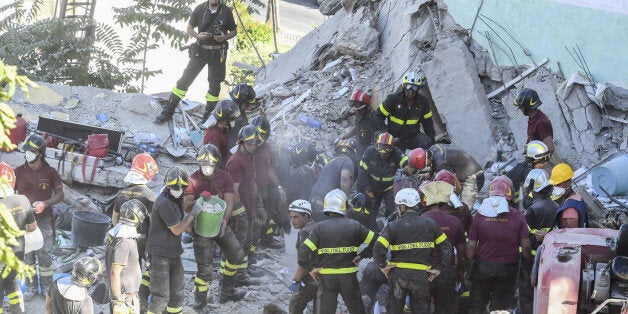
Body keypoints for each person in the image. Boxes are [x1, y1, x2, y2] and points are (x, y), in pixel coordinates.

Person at [182, 144, 247, 309]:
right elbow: (186, 205)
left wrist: (225, 220)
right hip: (201, 229)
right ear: (199, 164)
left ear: (217, 164)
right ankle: (199, 302)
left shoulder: (225, 178)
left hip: (218, 224)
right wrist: (199, 200)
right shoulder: (192, 179)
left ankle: (226, 292)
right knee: (205, 268)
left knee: (236, 254)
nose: (207, 168)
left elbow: (229, 201)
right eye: (204, 165)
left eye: (210, 165)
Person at [154, 0, 237, 124]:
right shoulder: (200, 9)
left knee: (214, 86)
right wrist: (198, 36)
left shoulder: (226, 11)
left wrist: (224, 37)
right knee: (185, 80)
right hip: (200, 51)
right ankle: (168, 111)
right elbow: (189, 29)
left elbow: (234, 31)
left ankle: (208, 116)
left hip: (218, 53)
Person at [373, 186, 451, 314]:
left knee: (394, 311)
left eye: (398, 206)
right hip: (421, 276)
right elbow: (446, 249)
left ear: (402, 207)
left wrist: (383, 266)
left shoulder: (392, 226)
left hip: (398, 275)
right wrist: (438, 269)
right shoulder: (431, 224)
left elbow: (378, 249)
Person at [298, 189, 376, 314]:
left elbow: (303, 251)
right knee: (357, 310)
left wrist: (312, 269)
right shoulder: (354, 225)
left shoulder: (319, 228)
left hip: (327, 278)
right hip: (349, 278)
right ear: (344, 205)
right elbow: (377, 241)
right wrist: (362, 255)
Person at [465, 175, 531, 313]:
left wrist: (469, 269)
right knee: (501, 307)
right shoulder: (518, 215)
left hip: (483, 267)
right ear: (510, 194)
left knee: (477, 305)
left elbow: (471, 247)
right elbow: (526, 246)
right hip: (508, 269)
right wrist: (526, 267)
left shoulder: (479, 215)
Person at [145, 166, 202, 313]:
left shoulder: (175, 198)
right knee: (160, 296)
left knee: (177, 293)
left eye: (180, 188)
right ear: (167, 185)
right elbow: (177, 230)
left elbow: (180, 223)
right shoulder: (164, 203)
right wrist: (193, 215)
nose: (177, 191)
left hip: (173, 252)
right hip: (160, 254)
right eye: (174, 188)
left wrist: (197, 231)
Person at [15, 134, 64, 300]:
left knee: (44, 254)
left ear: (40, 154)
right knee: (27, 255)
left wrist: (45, 203)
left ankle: (46, 287)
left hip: (44, 220)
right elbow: (9, 192)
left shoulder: (50, 172)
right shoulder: (19, 172)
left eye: (31, 151)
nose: (27, 153)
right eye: (26, 150)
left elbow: (60, 195)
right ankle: (30, 287)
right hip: (24, 220)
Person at [111, 153, 158, 311]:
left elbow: (114, 220)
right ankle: (141, 301)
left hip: (126, 240)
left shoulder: (121, 194)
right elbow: (154, 222)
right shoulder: (149, 195)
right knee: (149, 270)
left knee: (129, 272)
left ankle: (128, 297)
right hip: (144, 240)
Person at [420, 182, 466, 314]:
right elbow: (461, 252)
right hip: (446, 273)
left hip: (423, 272)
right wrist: (459, 273)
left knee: (422, 308)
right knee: (444, 309)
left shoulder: (420, 220)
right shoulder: (454, 221)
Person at [225, 125, 262, 287]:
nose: (253, 146)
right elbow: (232, 190)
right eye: (249, 144)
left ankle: (243, 271)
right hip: (242, 210)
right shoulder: (235, 162)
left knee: (247, 242)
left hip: (250, 206)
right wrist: (240, 212)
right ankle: (239, 277)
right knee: (239, 245)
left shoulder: (249, 157)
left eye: (254, 144)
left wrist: (256, 203)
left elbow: (251, 181)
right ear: (241, 142)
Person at [517, 169, 557, 314]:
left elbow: (525, 240)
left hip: (530, 259)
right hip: (547, 257)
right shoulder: (555, 206)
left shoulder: (532, 210)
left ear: (534, 188)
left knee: (526, 292)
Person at [0, 162, 37, 313]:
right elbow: (31, 227)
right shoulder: (23, 200)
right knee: (10, 283)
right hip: (17, 256)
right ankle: (18, 310)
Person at [354, 132, 408, 230]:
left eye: (386, 148)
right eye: (380, 147)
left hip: (389, 188)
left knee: (391, 211)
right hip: (372, 187)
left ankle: (390, 231)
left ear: (392, 148)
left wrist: (409, 166)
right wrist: (367, 188)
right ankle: (371, 232)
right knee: (370, 212)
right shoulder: (369, 152)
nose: (383, 151)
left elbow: (405, 161)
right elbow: (362, 171)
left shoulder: (397, 153)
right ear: (376, 145)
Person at [407, 145, 484, 208]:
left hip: (474, 178)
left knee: (463, 210)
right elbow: (434, 164)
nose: (425, 167)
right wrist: (428, 175)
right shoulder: (433, 148)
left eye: (425, 166)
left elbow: (454, 188)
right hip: (465, 170)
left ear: (426, 161)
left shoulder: (441, 164)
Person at [251, 115, 288, 247]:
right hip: (251, 188)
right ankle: (251, 245)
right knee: (254, 217)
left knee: (268, 213)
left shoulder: (266, 147)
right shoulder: (246, 146)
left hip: (265, 186)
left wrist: (279, 187)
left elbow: (269, 168)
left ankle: (266, 239)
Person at [106, 199, 147, 314]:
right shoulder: (124, 240)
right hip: (125, 298)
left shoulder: (116, 232)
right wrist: (118, 302)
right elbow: (115, 272)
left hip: (123, 294)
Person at [375, 71, 435, 150]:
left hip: (413, 137)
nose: (411, 90)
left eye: (414, 87)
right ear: (404, 85)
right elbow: (379, 115)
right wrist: (385, 133)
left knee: (427, 143)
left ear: (418, 88)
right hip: (394, 137)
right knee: (384, 145)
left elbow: (428, 124)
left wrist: (432, 142)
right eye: (408, 86)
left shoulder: (424, 102)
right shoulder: (393, 99)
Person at [308, 139, 357, 222]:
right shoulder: (348, 161)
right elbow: (344, 179)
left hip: (312, 202)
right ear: (353, 152)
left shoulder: (330, 162)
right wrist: (346, 202)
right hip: (325, 206)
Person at [288, 199, 317, 314]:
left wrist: (296, 280)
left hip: (312, 278)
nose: (292, 221)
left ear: (306, 216)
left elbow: (304, 261)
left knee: (295, 306)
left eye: (296, 217)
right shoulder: (318, 226)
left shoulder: (304, 232)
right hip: (326, 278)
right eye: (291, 217)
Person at [505, 140, 553, 208]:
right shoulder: (525, 171)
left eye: (547, 158)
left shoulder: (529, 169)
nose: (545, 163)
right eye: (544, 160)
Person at [513, 88, 555, 154]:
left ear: (527, 106)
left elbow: (550, 148)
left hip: (544, 162)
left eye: (521, 106)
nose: (519, 108)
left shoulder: (540, 122)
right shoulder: (533, 119)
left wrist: (536, 160)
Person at [339, 89, 377, 161]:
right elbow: (357, 127)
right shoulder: (359, 114)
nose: (355, 110)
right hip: (359, 149)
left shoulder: (373, 118)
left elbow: (375, 139)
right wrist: (344, 137)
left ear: (364, 107)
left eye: (357, 107)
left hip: (369, 153)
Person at [202, 99, 242, 163]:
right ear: (224, 119)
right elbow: (212, 161)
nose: (234, 121)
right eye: (232, 119)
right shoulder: (213, 136)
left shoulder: (222, 129)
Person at [549, 163, 588, 229]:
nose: (555, 187)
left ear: (569, 182)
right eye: (555, 185)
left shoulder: (570, 209)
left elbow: (570, 236)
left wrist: (547, 235)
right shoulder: (577, 197)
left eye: (558, 184)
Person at [226, 83, 257, 149]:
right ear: (240, 102)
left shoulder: (239, 111)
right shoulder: (229, 115)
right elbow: (232, 141)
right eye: (247, 104)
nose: (249, 107)